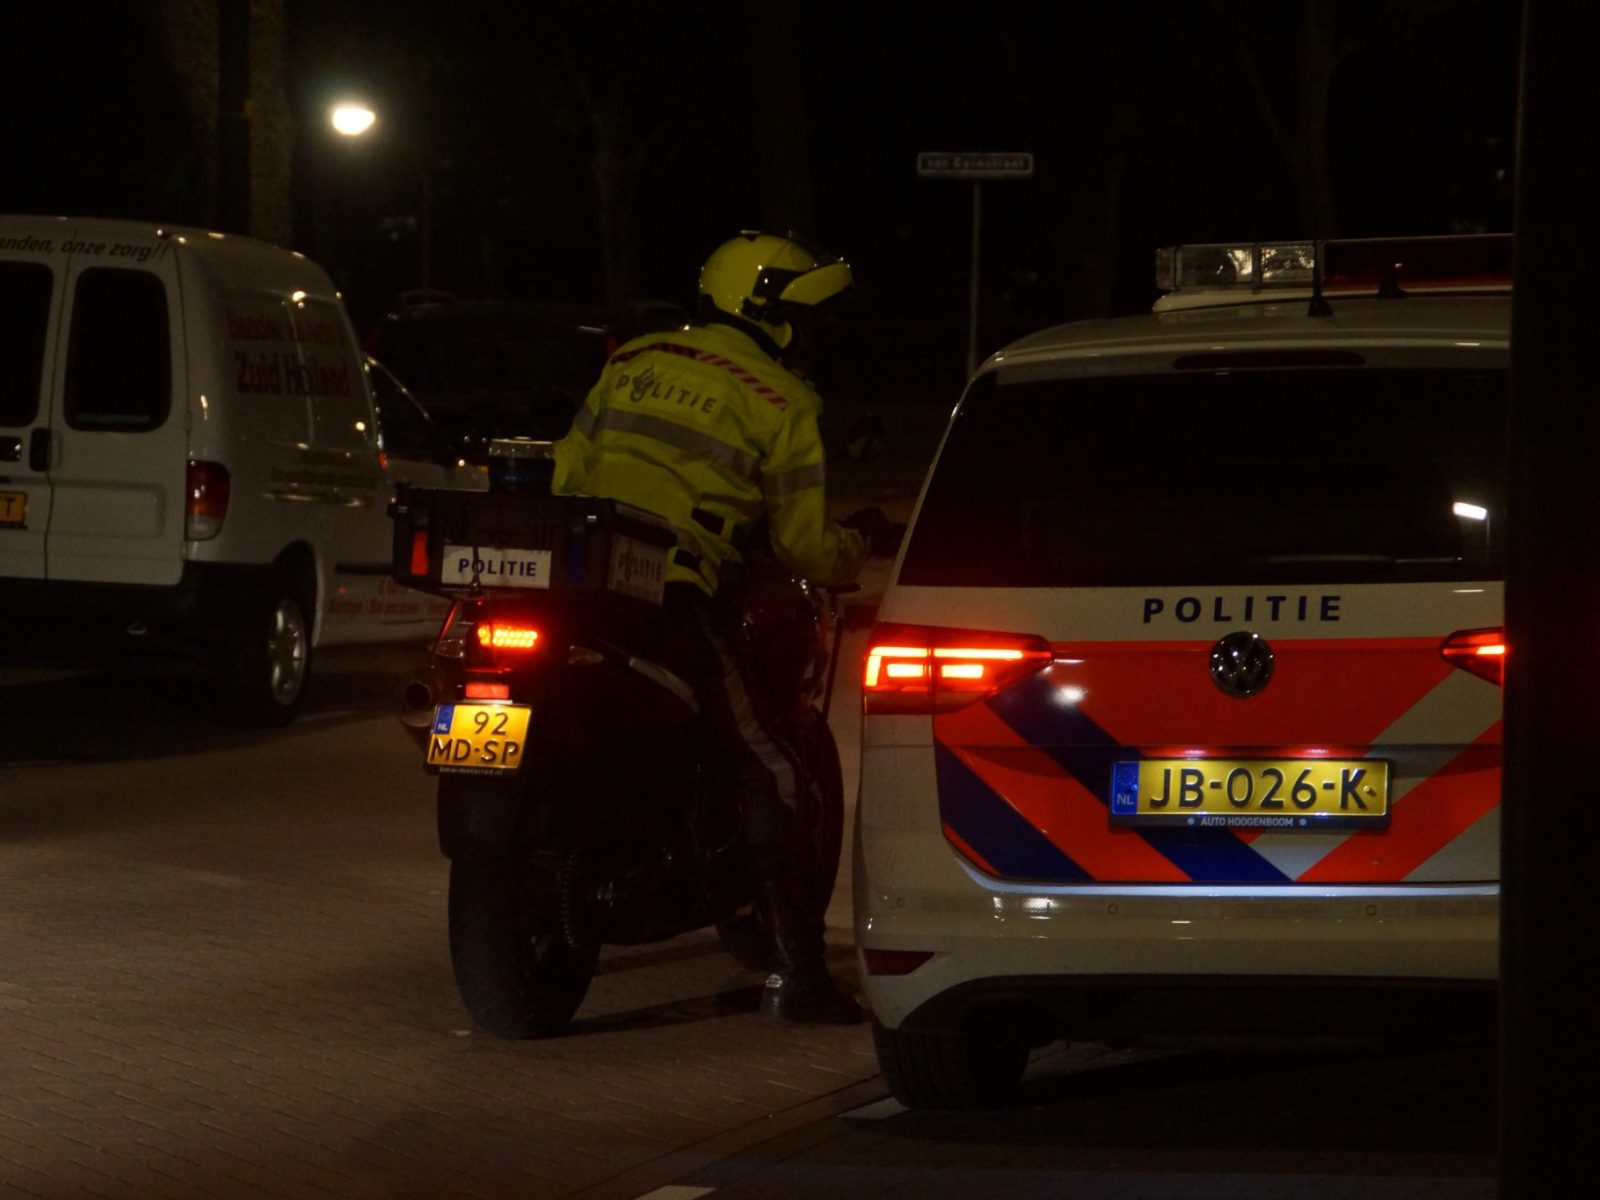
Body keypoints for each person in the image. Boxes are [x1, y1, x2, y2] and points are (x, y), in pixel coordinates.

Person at [551, 231, 894, 1024]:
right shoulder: (781, 399)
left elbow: (568, 473)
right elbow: (802, 544)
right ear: (769, 314)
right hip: (668, 595)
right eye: (805, 317)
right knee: (767, 764)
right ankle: (803, 976)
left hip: (570, 585)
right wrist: (858, 543)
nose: (813, 334)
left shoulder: (631, 360)